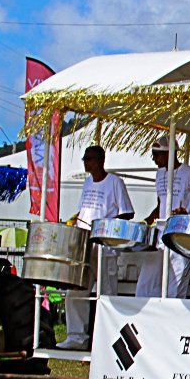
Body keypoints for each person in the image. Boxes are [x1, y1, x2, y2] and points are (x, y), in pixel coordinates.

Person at [56, 145, 134, 350]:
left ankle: (109, 336)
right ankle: (76, 336)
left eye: (89, 159)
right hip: (84, 244)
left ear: (100, 160)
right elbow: (85, 211)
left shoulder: (115, 182)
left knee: (107, 292)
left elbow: (127, 213)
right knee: (76, 289)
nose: (86, 162)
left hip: (105, 245)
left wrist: (104, 225)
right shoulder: (87, 182)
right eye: (85, 159)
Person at [136, 136, 190, 299]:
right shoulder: (159, 174)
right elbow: (161, 205)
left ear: (170, 153)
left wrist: (186, 215)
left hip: (180, 237)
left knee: (175, 288)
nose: (154, 158)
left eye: (157, 154)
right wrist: (145, 221)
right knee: (145, 285)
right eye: (153, 154)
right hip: (160, 236)